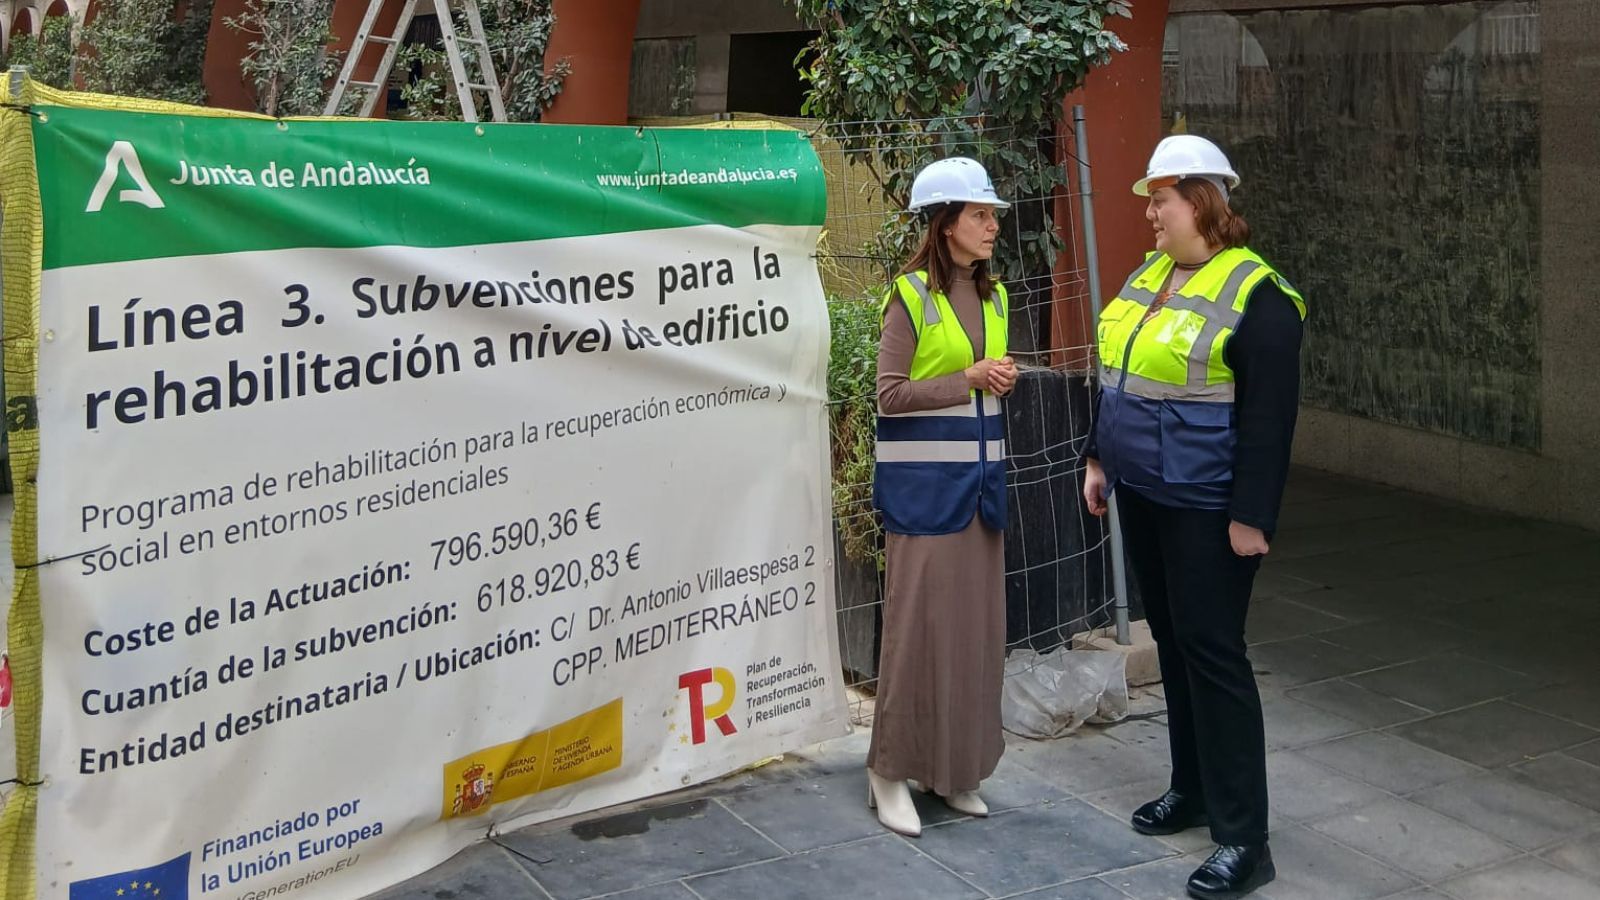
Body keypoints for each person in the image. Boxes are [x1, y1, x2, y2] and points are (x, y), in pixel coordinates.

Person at [1082, 135, 1306, 899]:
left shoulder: (1259, 296)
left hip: (1210, 509)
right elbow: (1117, 372)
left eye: (1161, 199)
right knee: (1174, 646)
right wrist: (1097, 457)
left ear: (1202, 202)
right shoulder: (1153, 275)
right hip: (1145, 494)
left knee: (1215, 655)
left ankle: (1246, 839)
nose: (1149, 212)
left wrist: (1252, 516)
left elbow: (1271, 422)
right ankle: (1194, 789)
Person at [866, 157, 1018, 838]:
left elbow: (983, 383)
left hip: (982, 493)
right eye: (980, 215)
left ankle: (953, 770)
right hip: (925, 495)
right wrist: (973, 377)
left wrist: (998, 378)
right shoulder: (910, 296)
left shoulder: (996, 296)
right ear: (946, 223)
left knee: (973, 637)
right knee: (914, 636)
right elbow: (890, 395)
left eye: (992, 216)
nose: (992, 226)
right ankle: (888, 771)